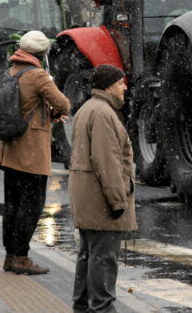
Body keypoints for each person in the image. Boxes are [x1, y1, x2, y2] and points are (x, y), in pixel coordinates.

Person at [0, 29, 70, 276]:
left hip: (10, 148)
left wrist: (47, 112)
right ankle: (22, 258)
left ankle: (10, 256)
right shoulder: (38, 75)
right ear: (41, 53)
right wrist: (55, 108)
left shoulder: (10, 72)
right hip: (31, 153)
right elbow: (64, 104)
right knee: (31, 206)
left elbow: (24, 105)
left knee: (12, 205)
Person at [69, 64, 136, 312]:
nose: (124, 87)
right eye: (120, 83)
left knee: (88, 255)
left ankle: (83, 307)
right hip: (100, 201)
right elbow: (107, 162)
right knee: (103, 259)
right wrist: (118, 201)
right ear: (108, 86)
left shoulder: (88, 109)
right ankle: (102, 309)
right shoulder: (103, 113)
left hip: (88, 198)